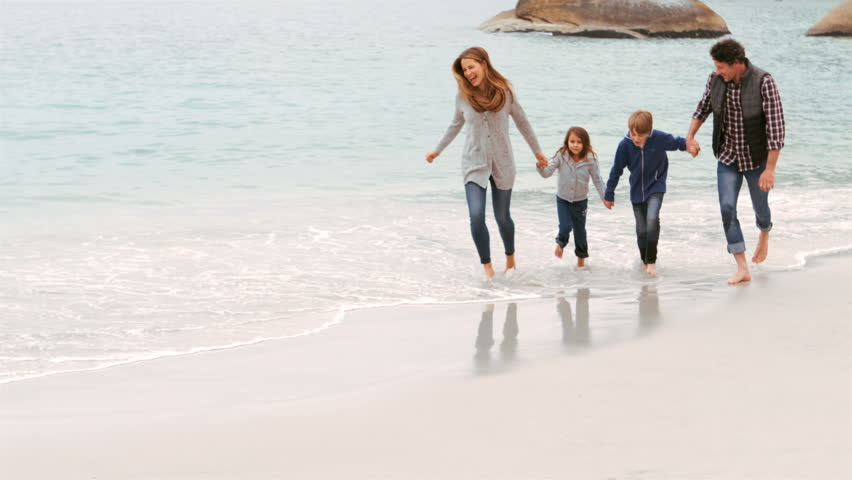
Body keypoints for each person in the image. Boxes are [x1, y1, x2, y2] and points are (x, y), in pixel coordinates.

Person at [425, 47, 548, 279]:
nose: (468, 73)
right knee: (476, 215)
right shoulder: (463, 97)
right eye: (464, 70)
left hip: (503, 162)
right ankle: (488, 269)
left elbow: (522, 122)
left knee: (502, 217)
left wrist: (537, 152)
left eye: (471, 67)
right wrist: (437, 151)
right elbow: (454, 125)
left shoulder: (505, 93)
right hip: (473, 163)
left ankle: (510, 261)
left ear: (483, 64)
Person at [686, 38, 785, 285]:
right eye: (716, 67)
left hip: (756, 159)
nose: (717, 71)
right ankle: (742, 267)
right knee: (727, 208)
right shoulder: (715, 80)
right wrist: (690, 137)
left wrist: (770, 169)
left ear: (737, 63)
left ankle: (764, 231)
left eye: (721, 67)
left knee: (761, 208)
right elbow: (703, 108)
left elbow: (776, 128)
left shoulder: (764, 82)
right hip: (727, 157)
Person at [604, 110, 696, 276]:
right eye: (633, 134)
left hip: (656, 187)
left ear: (649, 132)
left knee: (652, 219)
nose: (636, 138)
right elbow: (616, 170)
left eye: (640, 135)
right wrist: (609, 194)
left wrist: (690, 146)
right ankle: (644, 262)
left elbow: (677, 142)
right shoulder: (624, 145)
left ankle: (651, 262)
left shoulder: (658, 138)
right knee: (641, 231)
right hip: (636, 192)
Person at [537, 126, 609, 267]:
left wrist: (605, 197)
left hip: (580, 202)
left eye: (579, 142)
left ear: (585, 143)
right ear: (567, 142)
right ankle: (561, 243)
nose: (575, 145)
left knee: (580, 232)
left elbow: (597, 180)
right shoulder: (561, 156)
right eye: (572, 141)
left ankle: (581, 261)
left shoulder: (590, 160)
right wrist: (540, 166)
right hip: (563, 200)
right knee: (565, 226)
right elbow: (547, 173)